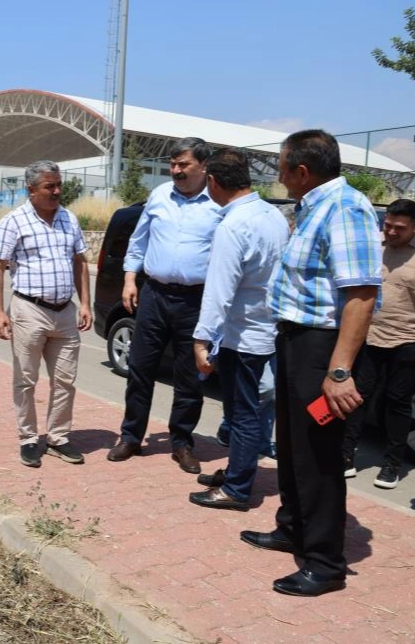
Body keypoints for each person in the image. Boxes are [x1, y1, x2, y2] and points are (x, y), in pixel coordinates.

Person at [241, 129, 381, 598]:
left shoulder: (345, 208)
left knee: (319, 454)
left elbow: (360, 294)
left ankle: (324, 562)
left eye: (281, 167)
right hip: (296, 343)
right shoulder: (314, 207)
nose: (277, 175)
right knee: (293, 445)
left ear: (302, 171)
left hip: (323, 350)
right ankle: (293, 528)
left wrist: (339, 370)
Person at [107, 137, 222, 474]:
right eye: (172, 164)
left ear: (203, 167)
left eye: (183, 165)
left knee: (190, 377)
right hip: (154, 295)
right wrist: (130, 279)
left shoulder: (217, 204)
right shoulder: (158, 197)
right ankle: (131, 437)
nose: (175, 171)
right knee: (140, 370)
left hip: (195, 300)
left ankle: (182, 442)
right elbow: (138, 242)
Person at [188, 148, 289, 510]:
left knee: (242, 415)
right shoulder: (274, 216)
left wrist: (202, 340)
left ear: (213, 181)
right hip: (267, 331)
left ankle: (237, 489)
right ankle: (236, 471)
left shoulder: (233, 225)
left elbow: (219, 290)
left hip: (242, 337)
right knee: (247, 412)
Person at [0, 160, 92, 468]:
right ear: (31, 189)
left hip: (64, 313)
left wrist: (85, 304)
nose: (57, 191)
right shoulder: (14, 221)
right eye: (50, 186)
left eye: (59, 185)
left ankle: (59, 438)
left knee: (65, 381)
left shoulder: (69, 219)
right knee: (25, 379)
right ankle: (29, 438)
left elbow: (80, 262)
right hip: (29, 311)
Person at [341, 199, 415, 487]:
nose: (390, 232)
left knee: (397, 403)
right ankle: (345, 456)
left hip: (408, 339)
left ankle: (392, 464)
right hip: (368, 335)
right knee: (356, 397)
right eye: (387, 225)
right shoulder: (373, 245)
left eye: (398, 228)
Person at [215, 356, 276, 459]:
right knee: (267, 387)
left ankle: (263, 444)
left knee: (274, 394)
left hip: (280, 344)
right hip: (257, 345)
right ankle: (229, 426)